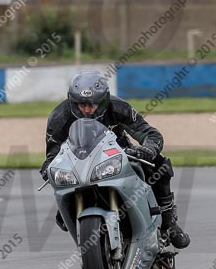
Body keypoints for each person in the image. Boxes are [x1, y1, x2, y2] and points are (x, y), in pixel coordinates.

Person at [39, 69, 190, 249]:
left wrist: (147, 150)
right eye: (81, 104)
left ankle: (168, 221)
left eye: (93, 104)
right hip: (80, 167)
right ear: (72, 101)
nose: (87, 110)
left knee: (159, 164)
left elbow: (151, 134)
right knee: (58, 186)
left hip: (119, 157)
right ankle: (70, 213)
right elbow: (52, 155)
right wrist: (49, 169)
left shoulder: (119, 108)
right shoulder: (59, 117)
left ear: (103, 100)